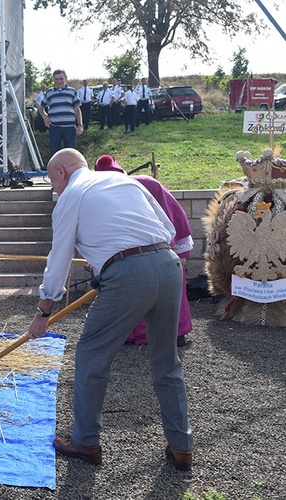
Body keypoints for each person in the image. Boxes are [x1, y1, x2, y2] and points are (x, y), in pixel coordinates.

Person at [28, 148, 193, 471]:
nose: (53, 189)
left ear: (61, 172)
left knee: (91, 354)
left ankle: (86, 441)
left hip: (127, 273)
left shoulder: (71, 195)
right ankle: (181, 445)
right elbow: (168, 230)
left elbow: (58, 260)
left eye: (52, 181)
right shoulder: (127, 183)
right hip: (168, 265)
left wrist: (43, 312)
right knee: (166, 360)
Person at [94, 154, 193, 346]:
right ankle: (131, 335)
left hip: (161, 252)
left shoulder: (147, 185)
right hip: (125, 258)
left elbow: (174, 215)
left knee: (167, 297)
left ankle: (174, 334)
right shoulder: (98, 196)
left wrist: (182, 253)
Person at [38, 69, 82, 154]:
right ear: (53, 80)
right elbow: (41, 108)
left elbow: (77, 109)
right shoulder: (49, 92)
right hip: (55, 128)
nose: (59, 81)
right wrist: (45, 117)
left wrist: (80, 125)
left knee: (71, 153)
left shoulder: (72, 92)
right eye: (56, 79)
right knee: (55, 153)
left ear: (65, 78)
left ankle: (71, 167)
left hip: (69, 127)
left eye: (61, 78)